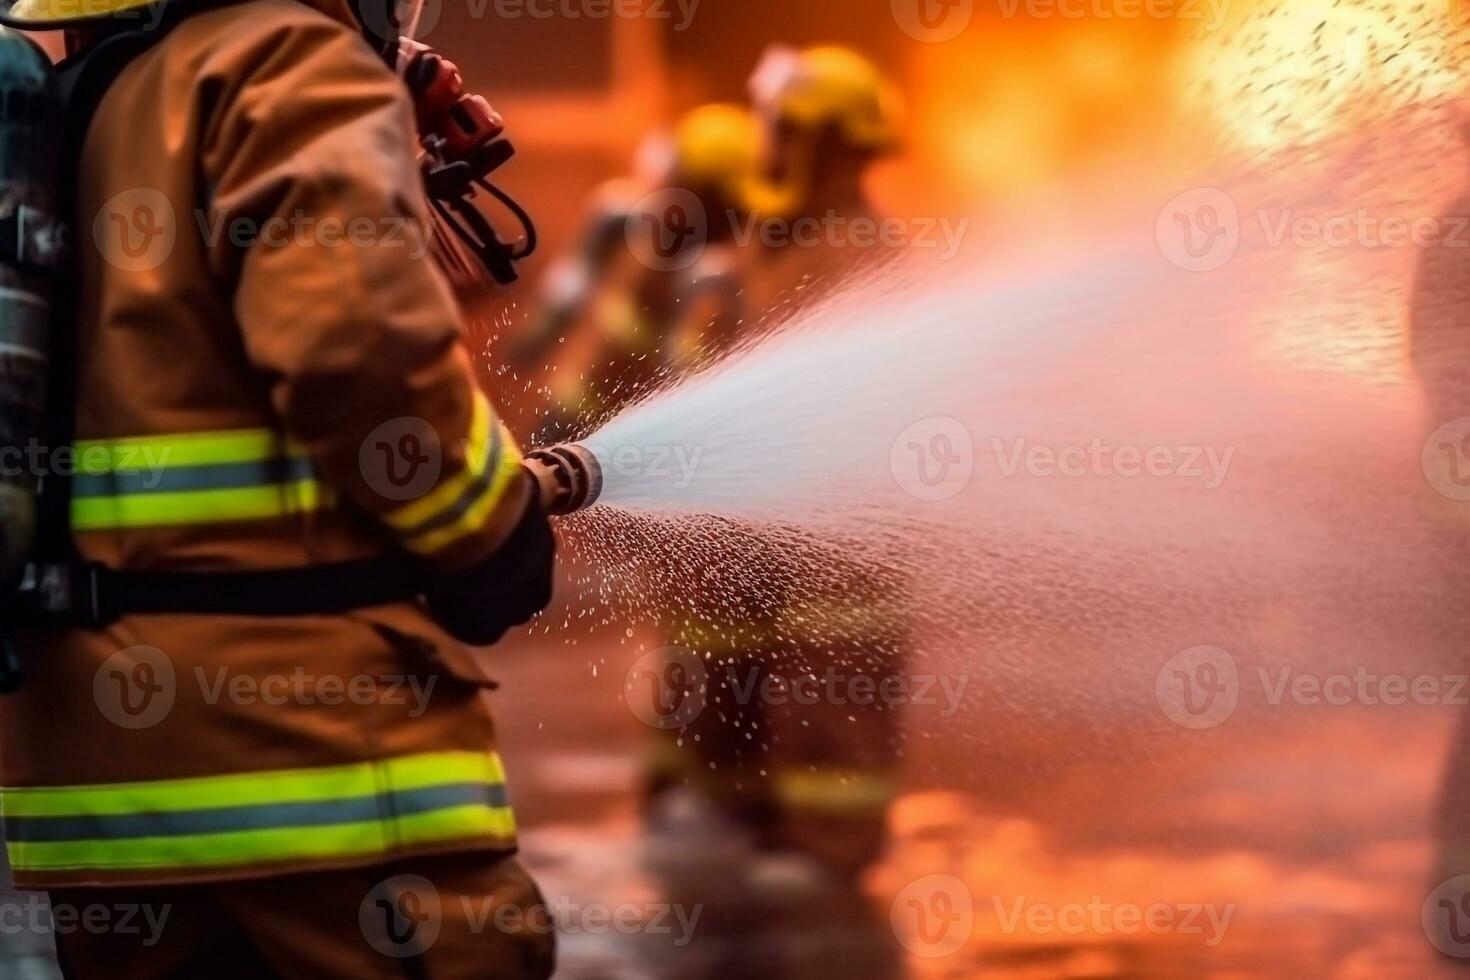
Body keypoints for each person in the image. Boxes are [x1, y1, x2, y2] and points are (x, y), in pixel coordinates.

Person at [0, 0, 557, 974]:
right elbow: (359, 352)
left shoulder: (80, 106)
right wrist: (488, 527)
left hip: (102, 793)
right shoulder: (285, 60)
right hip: (309, 755)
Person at [652, 44, 910, 881]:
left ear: (834, 143)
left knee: (833, 699)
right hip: (735, 532)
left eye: (782, 130)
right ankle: (732, 836)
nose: (767, 145)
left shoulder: (874, 255)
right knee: (720, 696)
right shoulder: (759, 251)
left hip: (839, 546)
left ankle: (827, 873)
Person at [511, 103, 764, 439]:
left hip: (631, 436)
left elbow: (690, 364)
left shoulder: (713, 275)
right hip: (573, 414)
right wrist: (532, 341)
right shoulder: (623, 217)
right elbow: (570, 285)